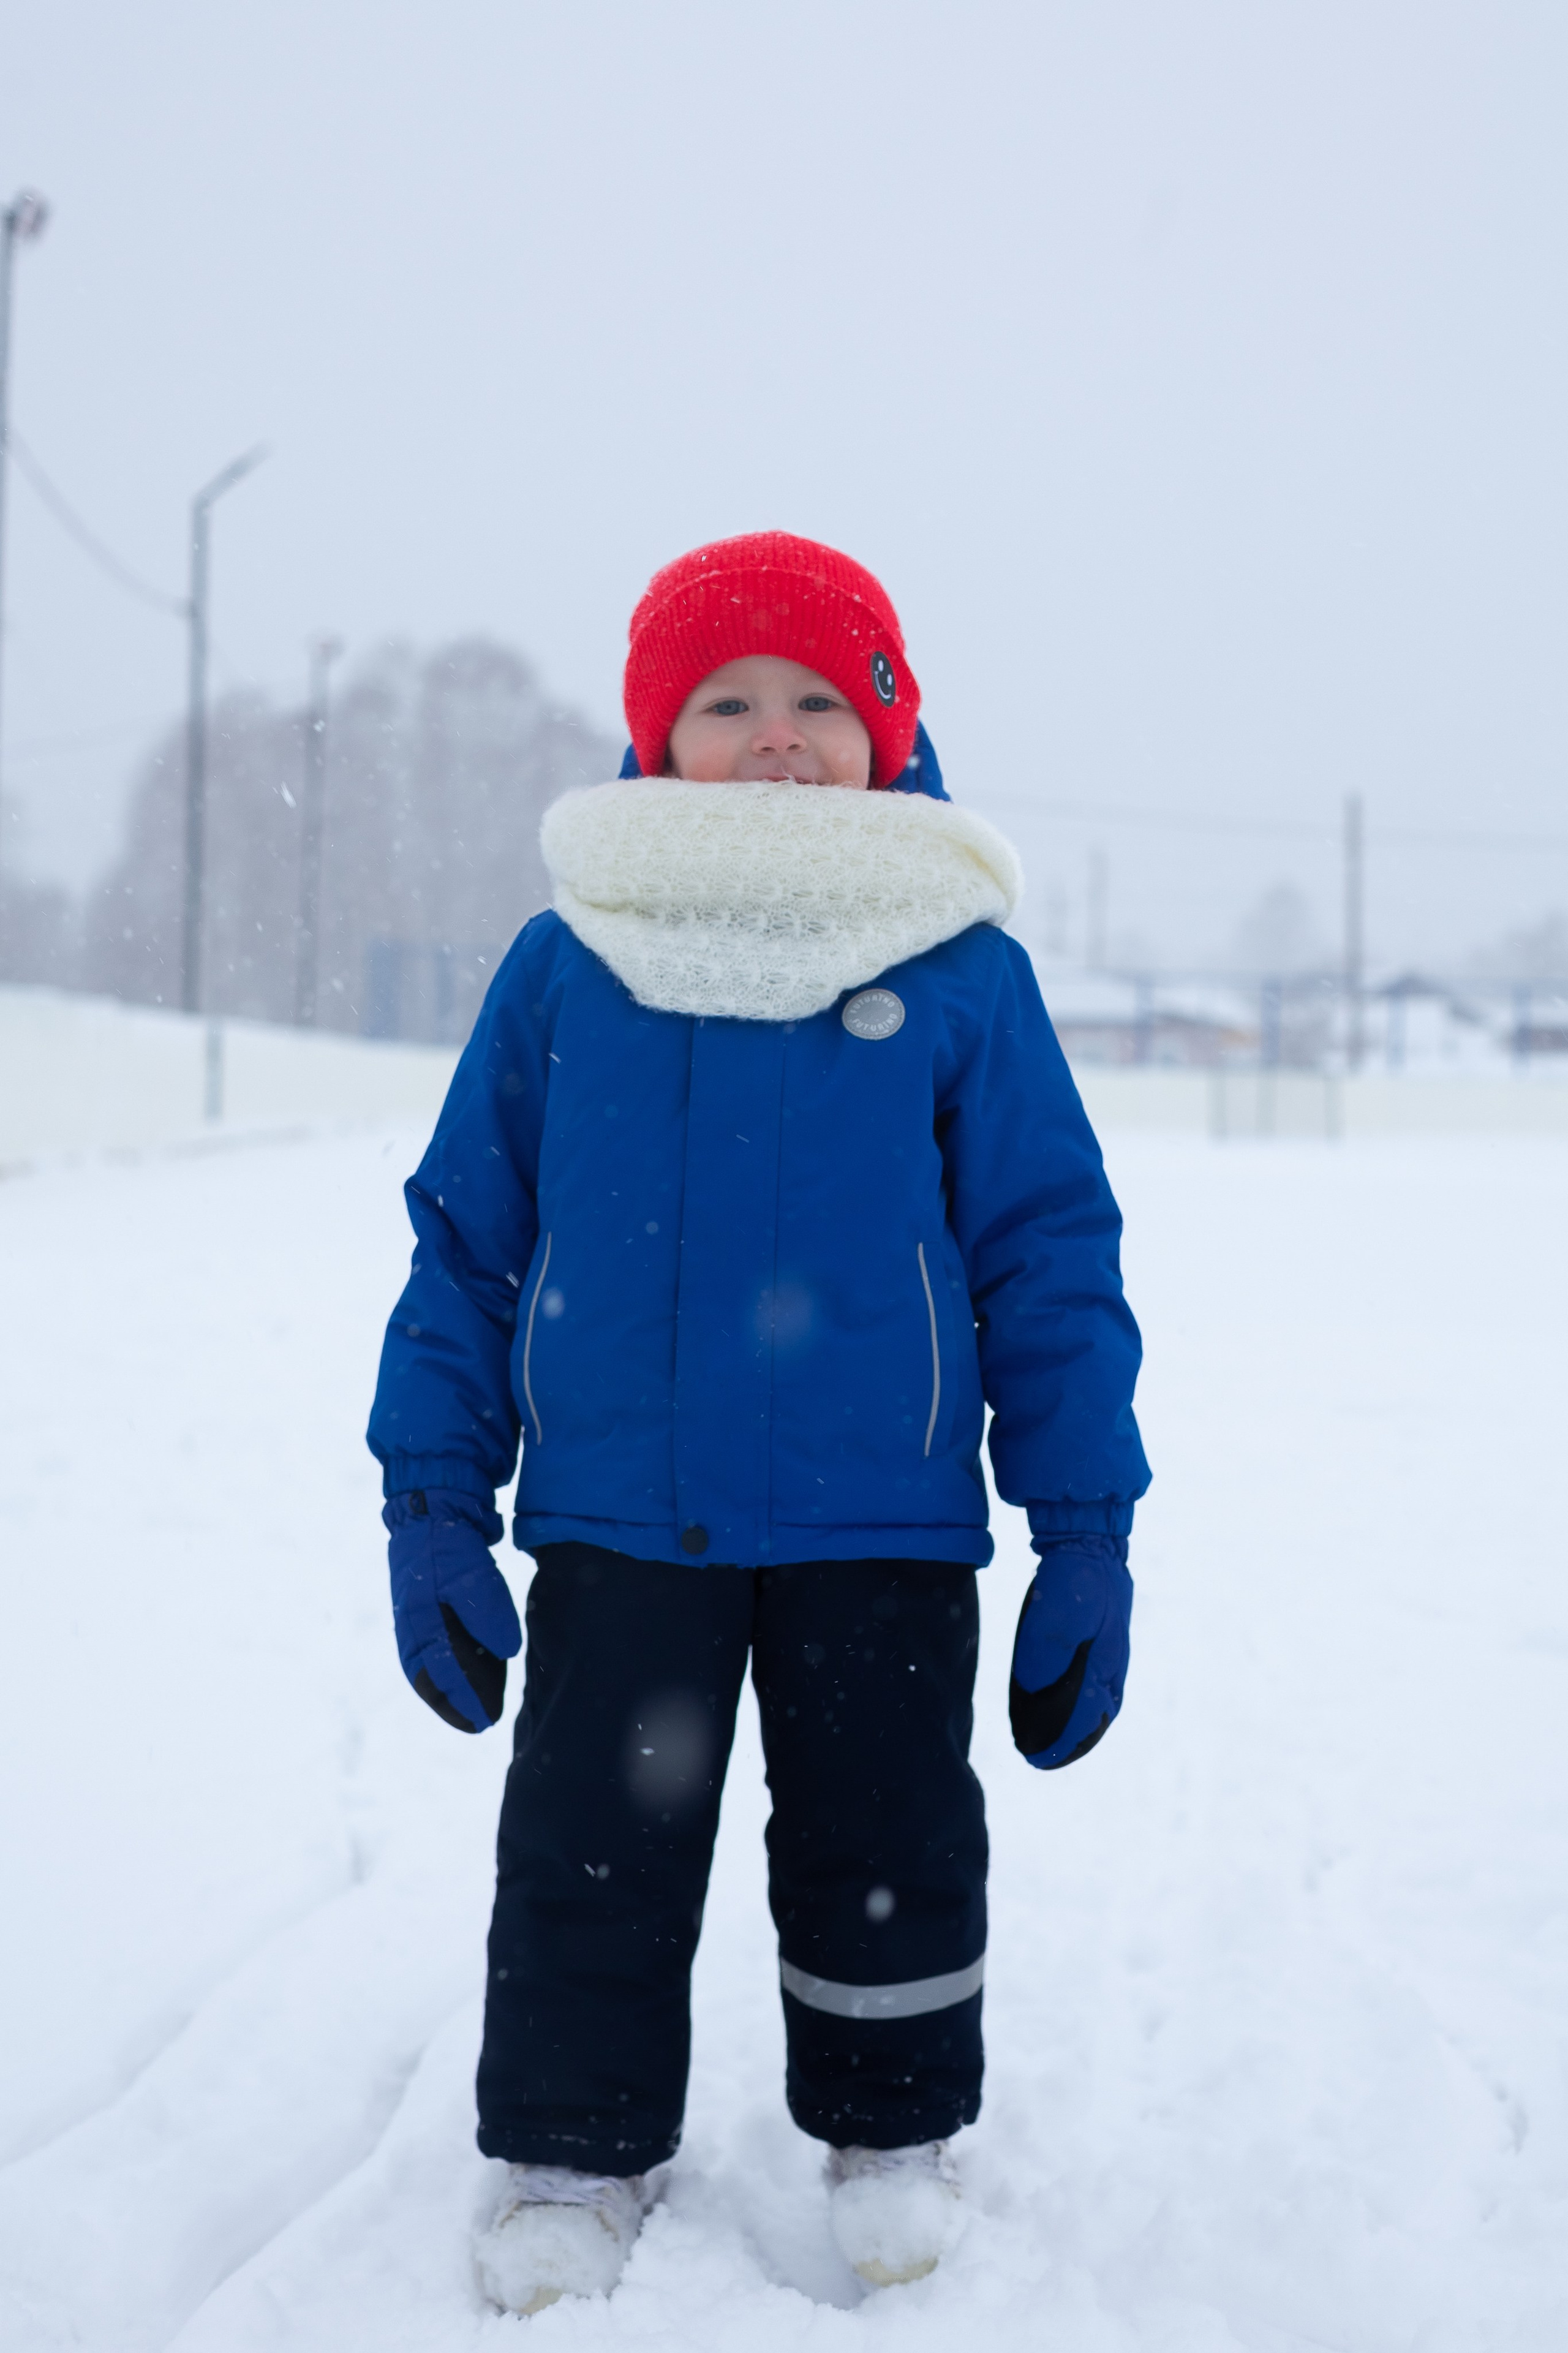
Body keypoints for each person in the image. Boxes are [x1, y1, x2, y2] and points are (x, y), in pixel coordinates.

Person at [367, 531, 1150, 2314]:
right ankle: (571, 2148)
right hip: (621, 1518)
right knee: (592, 1841)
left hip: (878, 1521)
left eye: (818, 697)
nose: (776, 733)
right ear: (657, 736)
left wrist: (1084, 1527)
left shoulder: (957, 966)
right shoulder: (573, 960)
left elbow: (1049, 1248)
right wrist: (431, 1496)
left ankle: (891, 2129)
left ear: (889, 729)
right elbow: (468, 1238)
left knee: (887, 1838)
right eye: (726, 702)